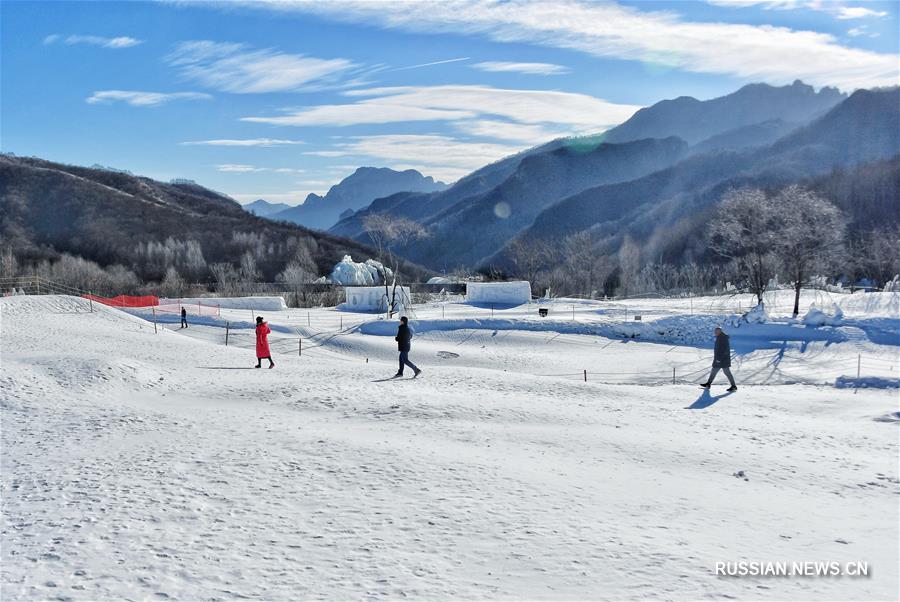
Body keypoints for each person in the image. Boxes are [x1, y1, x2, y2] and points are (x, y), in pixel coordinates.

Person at [700, 326, 737, 391]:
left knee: (727, 373)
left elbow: (724, 350)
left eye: (716, 331)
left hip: (722, 360)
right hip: (720, 359)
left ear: (720, 332)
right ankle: (708, 384)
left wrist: (719, 359)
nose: (715, 332)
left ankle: (733, 386)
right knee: (713, 371)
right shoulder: (720, 337)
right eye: (715, 331)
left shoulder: (723, 338)